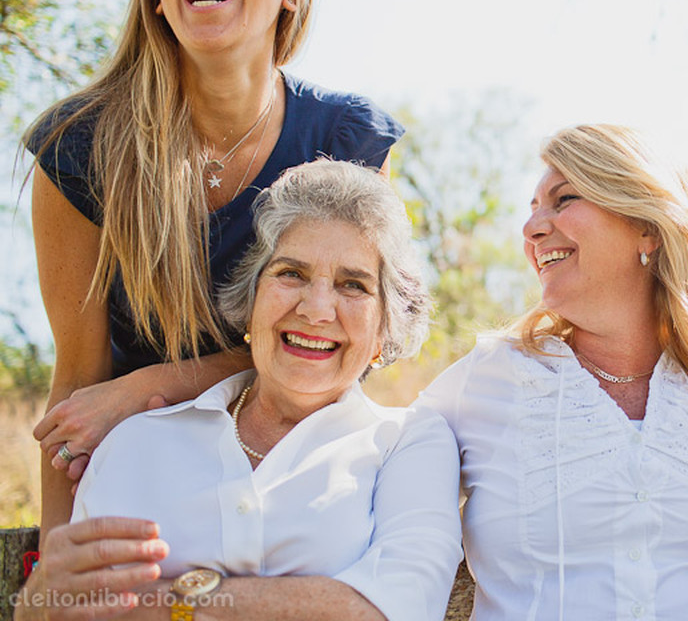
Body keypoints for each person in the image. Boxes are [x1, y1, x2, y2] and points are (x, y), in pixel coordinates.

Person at [22, 0, 404, 532]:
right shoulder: (79, 151)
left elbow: (349, 343)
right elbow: (79, 390)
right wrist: (51, 570)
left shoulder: (348, 142)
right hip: (140, 494)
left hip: (298, 478)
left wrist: (153, 385)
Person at [15, 160, 461, 621]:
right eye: (291, 274)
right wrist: (38, 601)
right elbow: (67, 608)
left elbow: (391, 610)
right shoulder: (135, 442)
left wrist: (165, 602)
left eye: (354, 285)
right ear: (249, 305)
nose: (317, 309)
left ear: (383, 332)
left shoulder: (408, 442)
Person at [417, 124, 688, 621]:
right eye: (533, 207)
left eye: (563, 200)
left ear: (646, 226)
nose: (532, 228)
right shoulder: (486, 380)